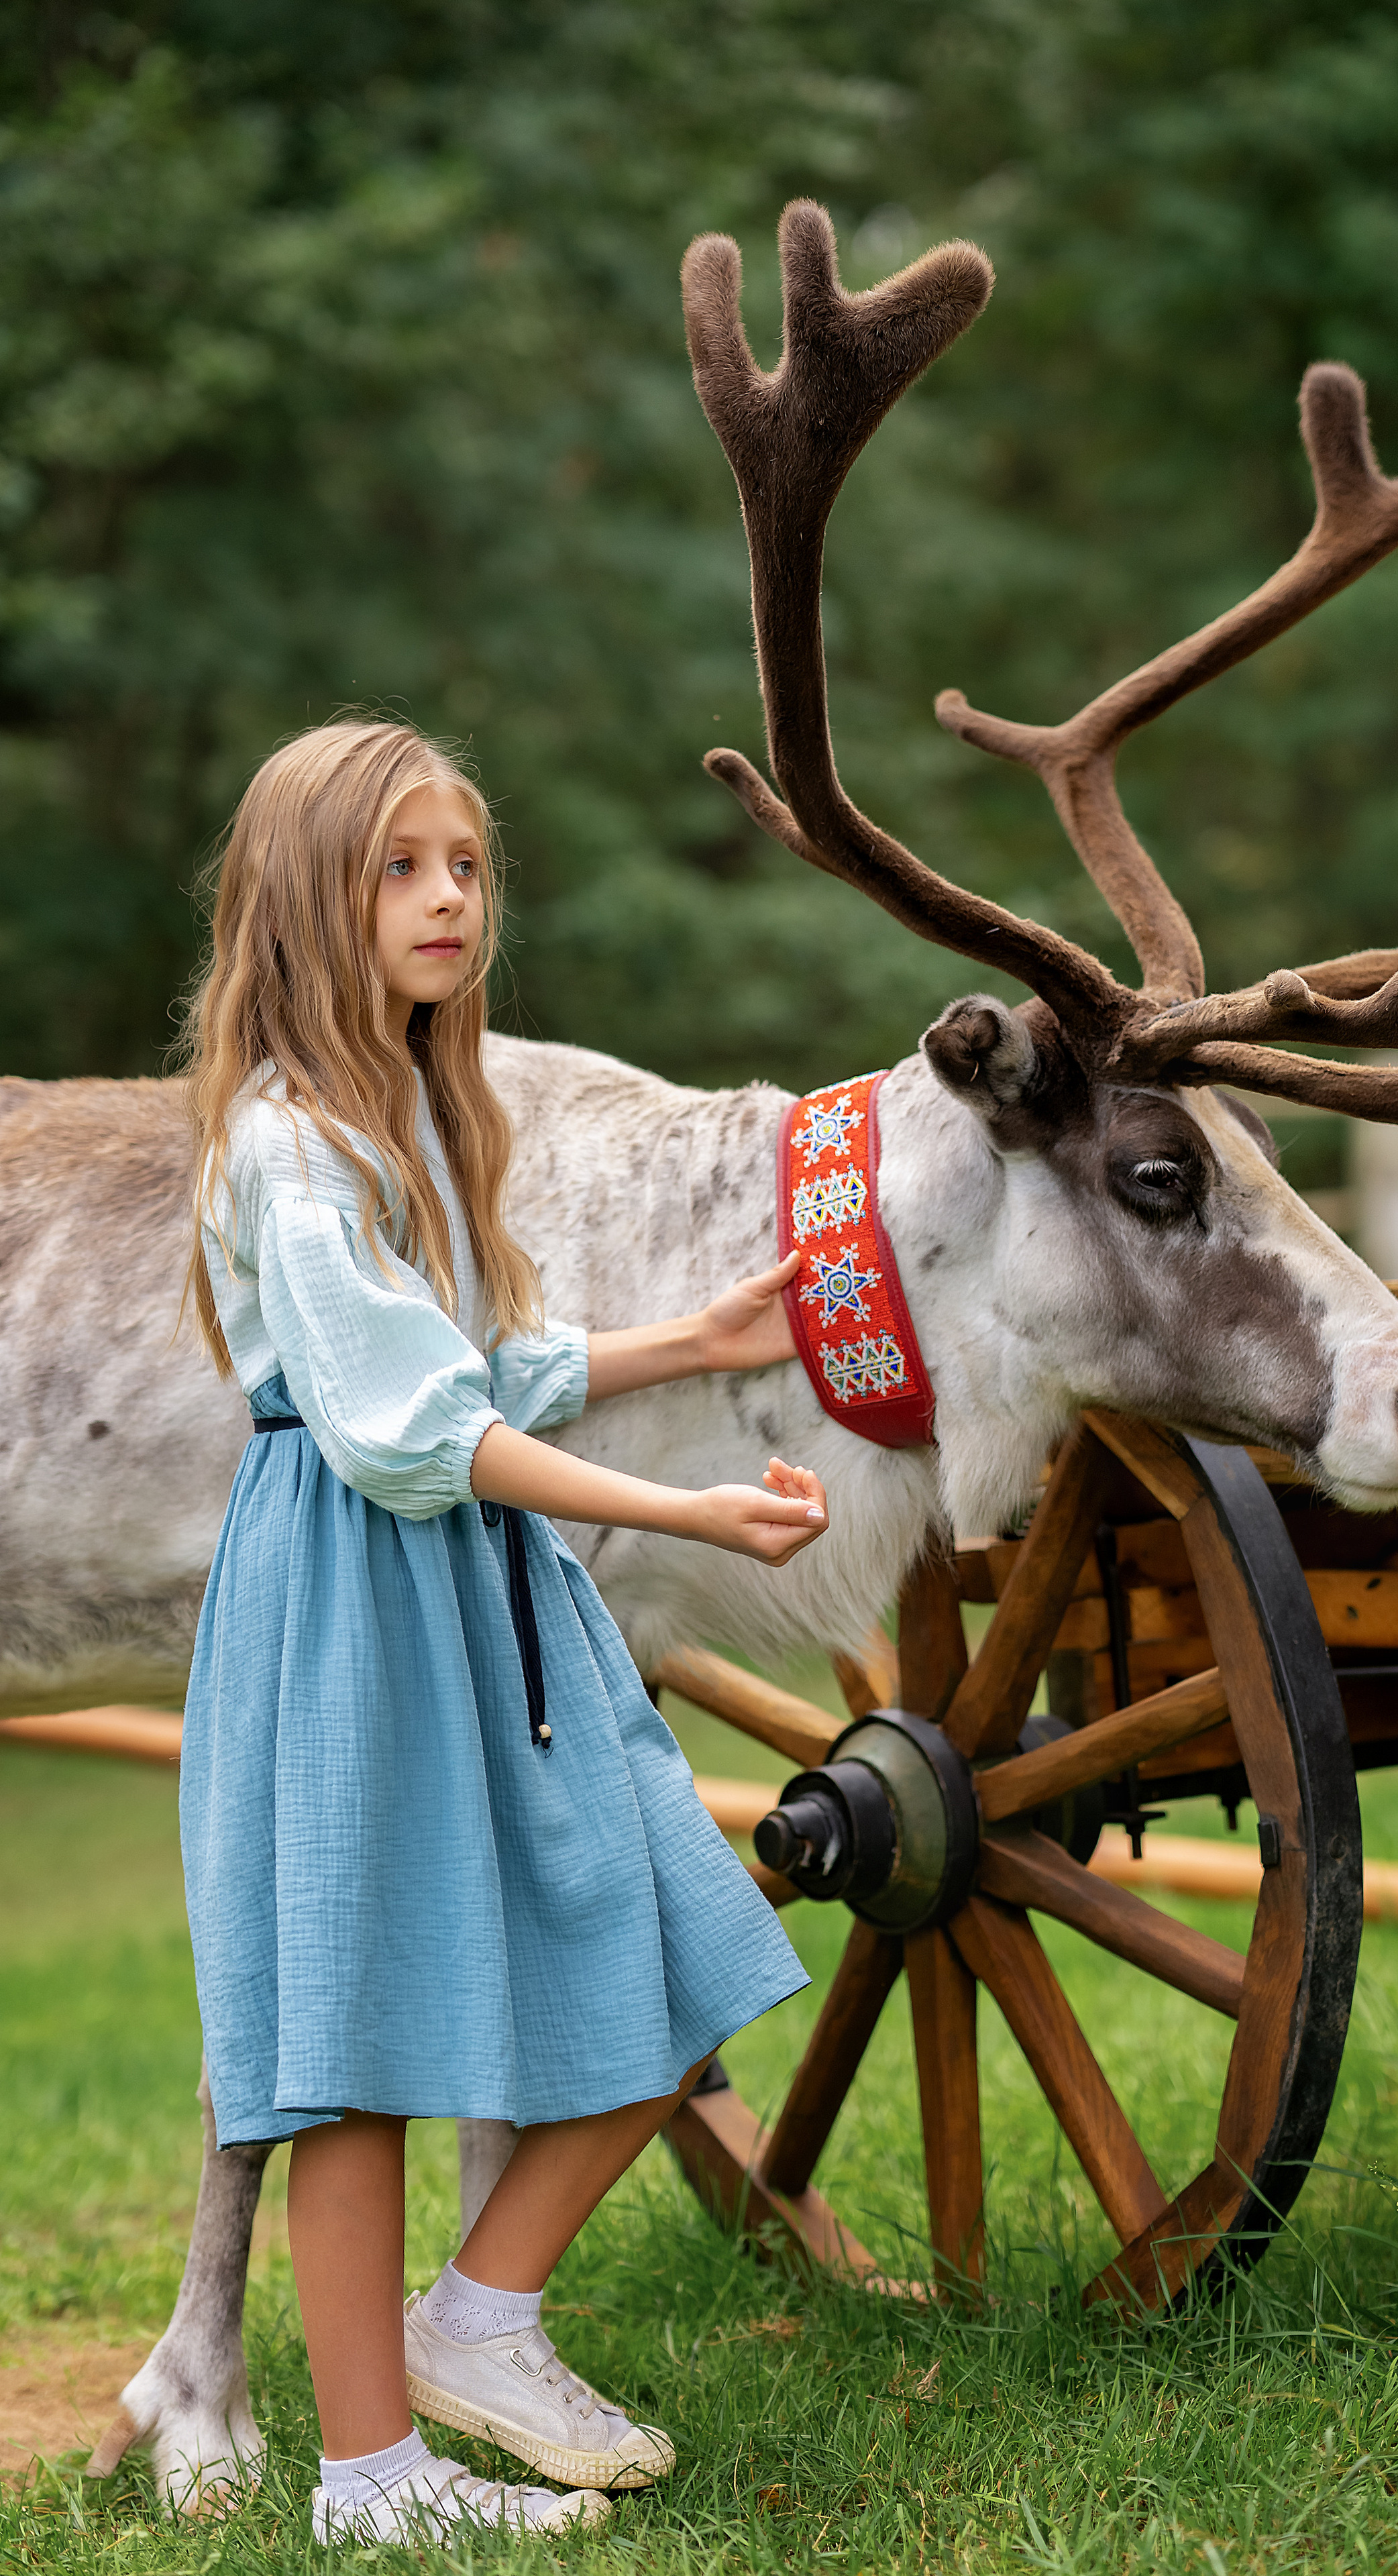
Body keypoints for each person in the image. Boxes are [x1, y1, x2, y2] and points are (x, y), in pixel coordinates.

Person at [178, 718, 826, 2546]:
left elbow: (476, 1364)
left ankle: (481, 2317)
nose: (450, 896)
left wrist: (684, 1350)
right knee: (360, 2036)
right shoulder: (292, 1147)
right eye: (401, 866)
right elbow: (413, 1432)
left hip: (472, 1586)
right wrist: (685, 1506)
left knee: (672, 1938)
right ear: (309, 898)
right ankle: (372, 2481)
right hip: (349, 1601)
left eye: (465, 863)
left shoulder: (415, 1118)